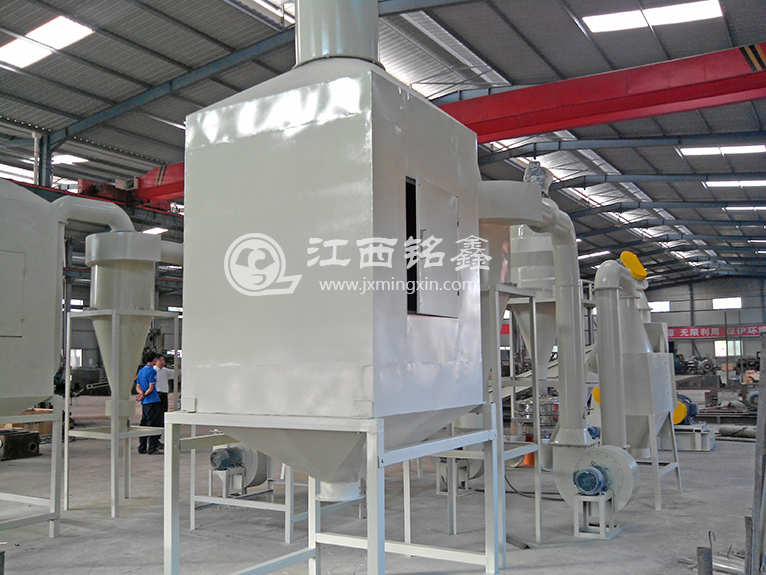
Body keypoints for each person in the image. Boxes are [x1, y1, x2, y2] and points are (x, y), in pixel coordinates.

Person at [135, 352, 163, 455]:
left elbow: (138, 386)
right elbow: (151, 388)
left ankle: (142, 447)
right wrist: (144, 395)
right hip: (153, 400)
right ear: (154, 360)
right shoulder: (152, 371)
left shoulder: (141, 370)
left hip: (145, 403)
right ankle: (152, 448)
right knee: (153, 425)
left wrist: (141, 394)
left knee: (144, 423)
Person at [153, 355, 178, 425]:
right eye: (160, 360)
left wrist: (178, 369)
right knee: (157, 411)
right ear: (156, 361)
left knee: (163, 411)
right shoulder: (153, 370)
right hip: (156, 393)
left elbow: (174, 374)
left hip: (164, 394)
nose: (162, 362)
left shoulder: (165, 370)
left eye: (163, 360)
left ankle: (162, 424)